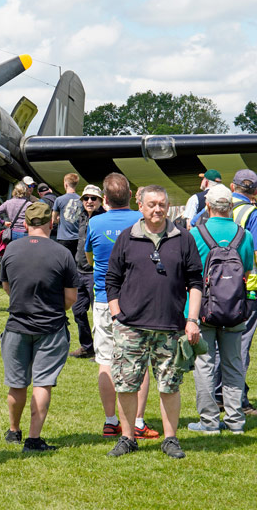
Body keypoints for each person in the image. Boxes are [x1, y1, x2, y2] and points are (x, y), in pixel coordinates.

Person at [105, 185, 202, 459]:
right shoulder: (127, 238)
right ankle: (127, 438)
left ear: (167, 206)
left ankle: (170, 439)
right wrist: (116, 315)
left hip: (170, 326)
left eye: (161, 204)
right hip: (130, 327)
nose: (157, 209)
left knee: (169, 385)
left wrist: (192, 319)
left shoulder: (183, 238)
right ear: (141, 207)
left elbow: (195, 282)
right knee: (125, 385)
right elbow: (111, 280)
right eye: (151, 204)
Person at [0, 202, 79, 452]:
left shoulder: (11, 250)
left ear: (25, 224)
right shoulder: (62, 253)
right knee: (42, 383)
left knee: (16, 382)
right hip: (51, 326)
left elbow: (6, 286)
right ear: (51, 223)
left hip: (17, 324)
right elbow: (71, 298)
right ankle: (34, 438)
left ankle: (14, 431)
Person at [85, 173, 159, 440]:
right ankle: (138, 421)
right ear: (131, 196)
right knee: (141, 362)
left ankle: (110, 420)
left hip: (105, 299)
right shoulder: (142, 221)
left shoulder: (95, 223)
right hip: (138, 300)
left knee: (104, 361)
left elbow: (90, 258)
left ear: (104, 199)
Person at [193, 169, 257, 413]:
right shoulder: (253, 214)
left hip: (206, 295)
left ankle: (213, 405)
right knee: (237, 353)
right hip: (242, 293)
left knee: (209, 355)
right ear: (256, 191)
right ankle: (236, 406)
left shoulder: (201, 217)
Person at [183, 185, 255, 435]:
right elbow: (246, 270)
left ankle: (209, 421)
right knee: (234, 364)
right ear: (231, 207)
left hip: (201, 308)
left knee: (204, 364)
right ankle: (236, 421)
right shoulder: (244, 235)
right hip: (235, 307)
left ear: (208, 206)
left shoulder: (195, 234)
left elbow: (187, 273)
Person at [69, 184, 105, 358]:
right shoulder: (81, 217)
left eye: (93, 198)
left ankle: (101, 349)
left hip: (95, 272)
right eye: (86, 198)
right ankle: (87, 346)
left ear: (101, 200)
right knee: (78, 311)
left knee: (98, 314)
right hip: (79, 271)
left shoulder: (104, 218)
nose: (89, 201)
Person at [52, 172, 83, 255]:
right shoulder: (82, 200)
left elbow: (53, 219)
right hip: (78, 237)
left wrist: (59, 220)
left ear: (65, 184)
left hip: (63, 238)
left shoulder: (59, 200)